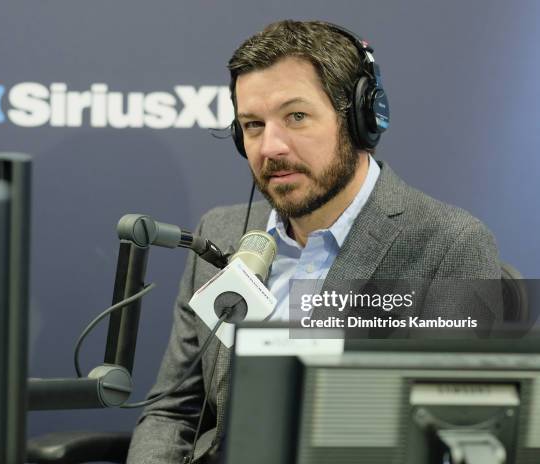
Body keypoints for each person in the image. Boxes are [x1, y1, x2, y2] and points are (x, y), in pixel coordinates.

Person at [126, 20, 502, 464]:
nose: (271, 147)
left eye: (296, 117)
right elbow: (174, 411)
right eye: (252, 125)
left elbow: (462, 436)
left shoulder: (448, 243)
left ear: (362, 118)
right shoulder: (219, 233)